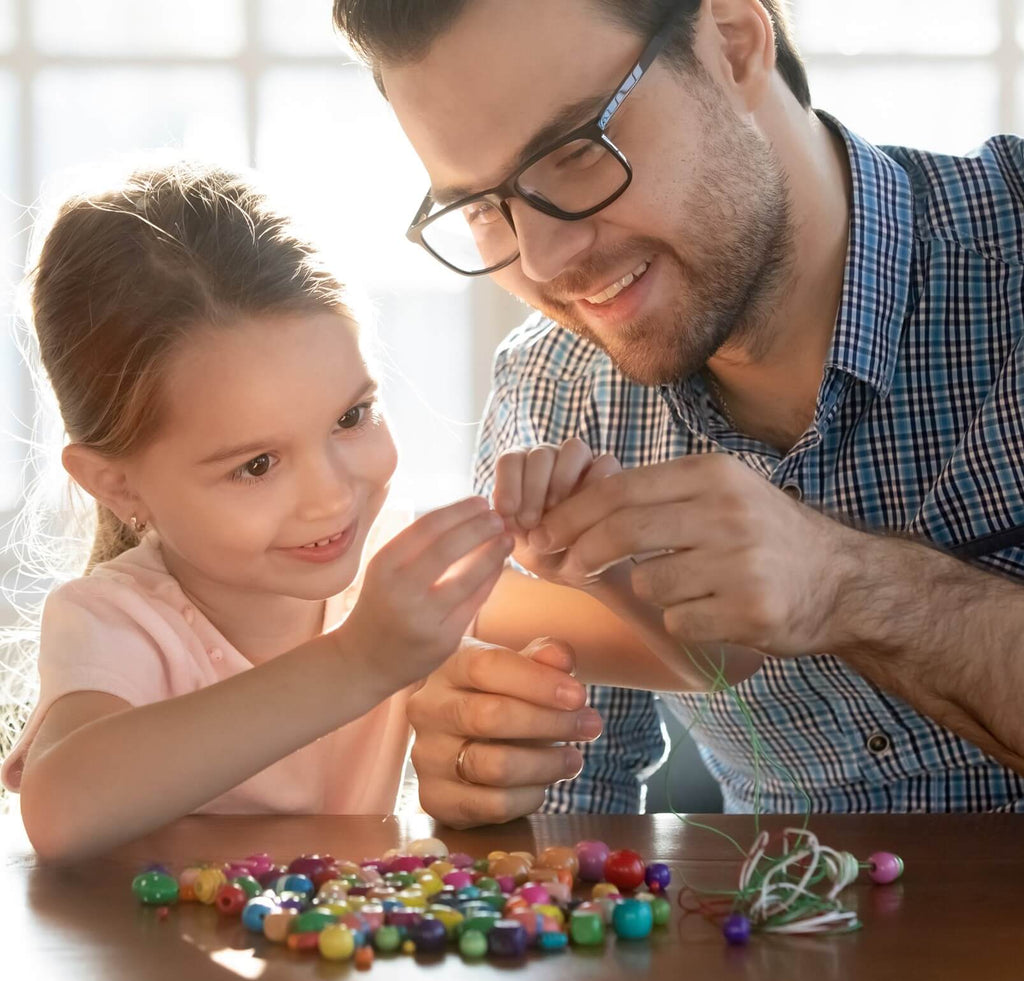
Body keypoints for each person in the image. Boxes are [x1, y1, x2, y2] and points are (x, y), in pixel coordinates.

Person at [333, 0, 1024, 824]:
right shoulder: (553, 391)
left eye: (575, 152)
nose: (547, 261)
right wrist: (487, 783)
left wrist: (847, 585)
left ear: (732, 44)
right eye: (483, 208)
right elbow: (573, 826)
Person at [0, 161, 515, 860]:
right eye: (257, 465)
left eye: (351, 416)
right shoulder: (116, 623)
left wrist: (596, 536)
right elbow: (62, 810)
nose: (333, 496)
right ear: (118, 486)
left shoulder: (383, 570)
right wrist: (358, 663)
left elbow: (683, 648)